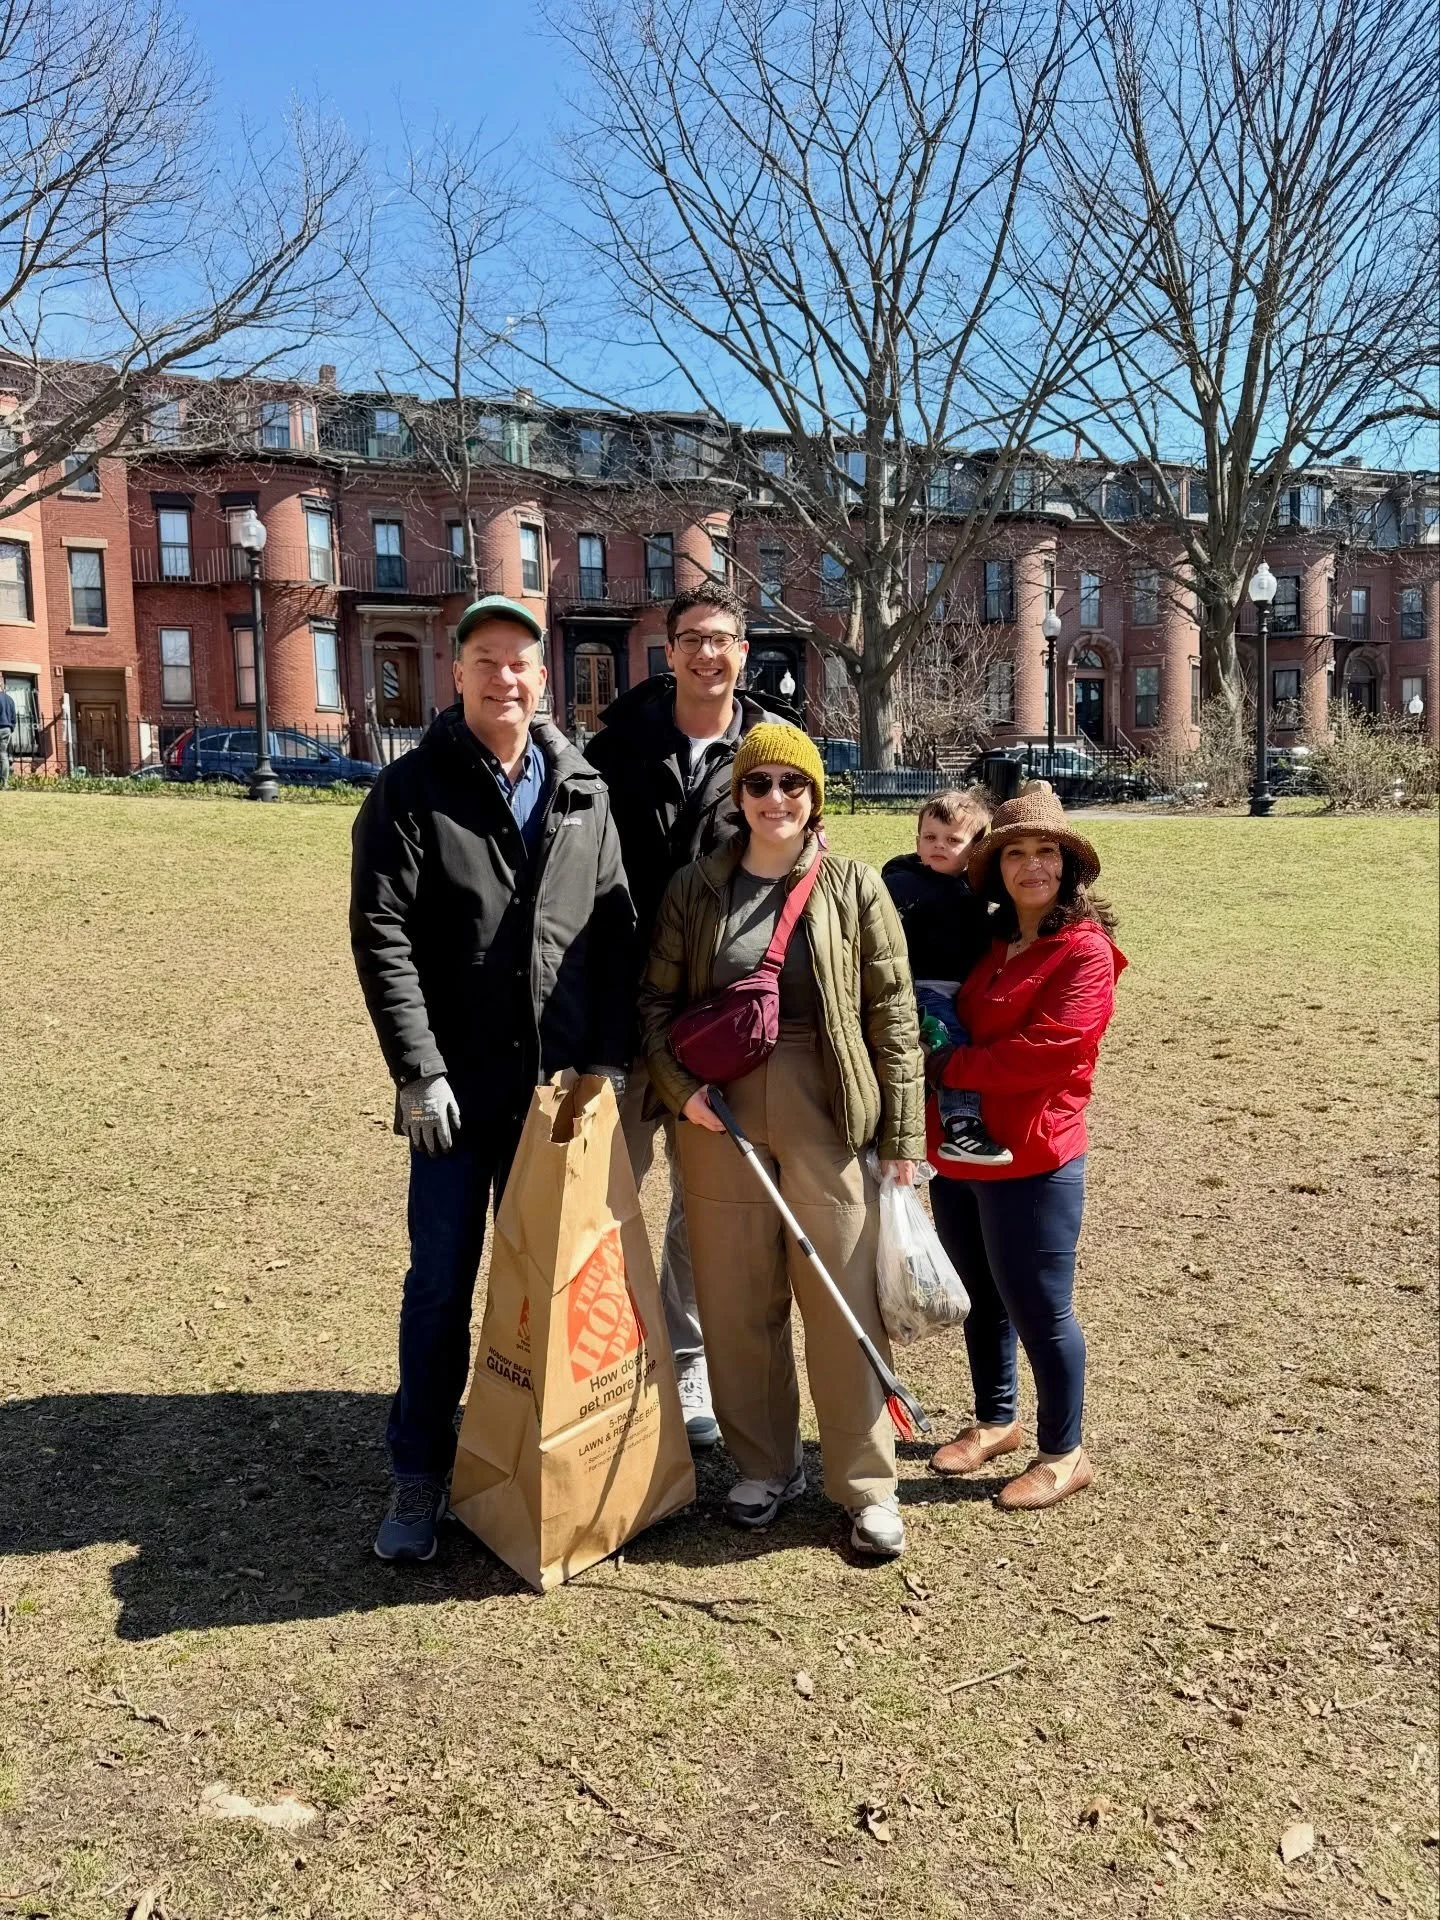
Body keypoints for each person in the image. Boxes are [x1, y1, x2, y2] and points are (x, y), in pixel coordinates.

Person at [351, 594, 635, 1563]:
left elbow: (614, 930)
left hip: (553, 1096)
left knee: (554, 1286)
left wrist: (607, 1057)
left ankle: (547, 1468)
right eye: (485, 660)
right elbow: (381, 936)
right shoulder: (412, 789)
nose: (503, 677)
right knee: (441, 1285)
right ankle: (420, 1468)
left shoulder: (582, 788)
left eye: (520, 661)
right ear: (457, 670)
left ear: (541, 677)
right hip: (455, 1098)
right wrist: (418, 1072)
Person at [638, 722, 926, 1560]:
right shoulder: (696, 888)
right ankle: (764, 1466)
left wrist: (902, 1133)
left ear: (815, 797)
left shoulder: (854, 887)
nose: (775, 801)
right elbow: (654, 1006)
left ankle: (866, 1484)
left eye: (792, 787)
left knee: (842, 1304)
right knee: (734, 1303)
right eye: (758, 785)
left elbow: (895, 1016)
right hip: (718, 1115)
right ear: (738, 798)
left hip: (827, 1109)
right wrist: (681, 1093)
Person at [584, 581, 798, 1451]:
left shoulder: (773, 755)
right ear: (667, 652)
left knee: (704, 1209)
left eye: (723, 639)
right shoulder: (612, 749)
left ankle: (687, 1357)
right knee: (608, 1197)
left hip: (721, 1022)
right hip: (624, 1013)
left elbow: (802, 874)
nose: (707, 653)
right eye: (691, 639)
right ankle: (605, 1360)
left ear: (744, 653)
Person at [924, 781, 1125, 1511]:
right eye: (1015, 853)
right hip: (961, 1151)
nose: (1031, 866)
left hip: (1034, 1156)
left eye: (1047, 852)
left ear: (1068, 866)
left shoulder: (1084, 952)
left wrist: (946, 1066)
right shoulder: (995, 941)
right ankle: (995, 1419)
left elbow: (1051, 1052)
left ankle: (1065, 1452)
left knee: (1040, 1308)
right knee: (981, 1297)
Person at [881, 788, 1011, 1166]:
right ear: (917, 841)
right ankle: (962, 1124)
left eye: (953, 840)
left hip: (957, 988)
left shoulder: (973, 890)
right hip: (921, 988)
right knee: (949, 1044)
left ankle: (914, 1128)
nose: (939, 846)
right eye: (930, 837)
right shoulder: (902, 885)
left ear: (976, 848)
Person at [0, 682, 16, 788]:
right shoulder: (10, 699)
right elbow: (14, 718)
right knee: (3, 754)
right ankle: (4, 782)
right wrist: (11, 728)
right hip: (6, 728)